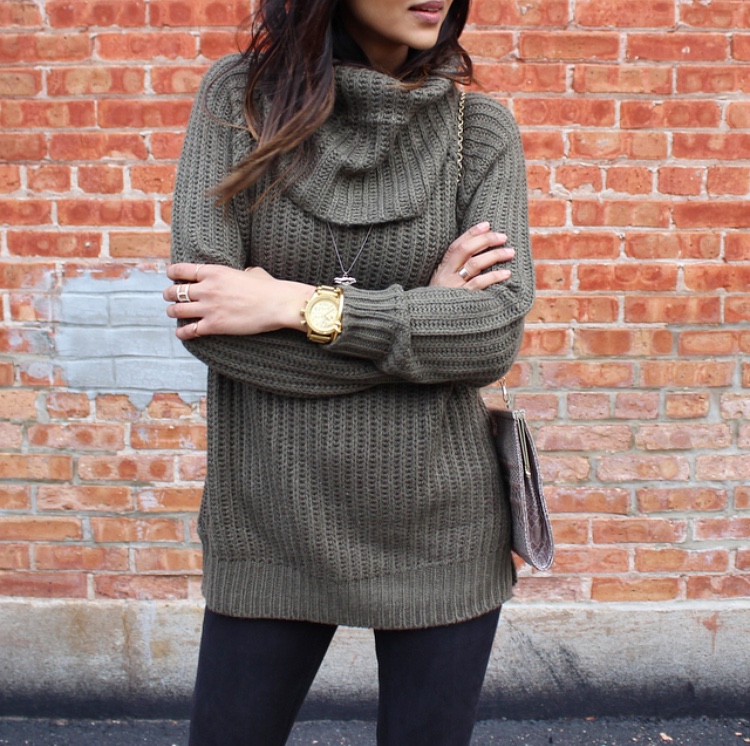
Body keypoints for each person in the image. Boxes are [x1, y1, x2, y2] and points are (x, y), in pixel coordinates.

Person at [163, 0, 534, 743]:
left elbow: (491, 337)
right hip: (270, 520)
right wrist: (425, 320)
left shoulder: (481, 131)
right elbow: (208, 323)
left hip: (442, 528)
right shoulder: (240, 101)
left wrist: (291, 305)